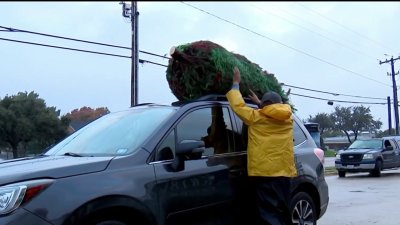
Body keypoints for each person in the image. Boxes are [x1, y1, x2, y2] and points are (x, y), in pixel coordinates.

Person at [225, 66, 297, 225]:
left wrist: (236, 83)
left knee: (268, 214)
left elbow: (238, 106)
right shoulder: (287, 119)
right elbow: (273, 113)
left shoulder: (256, 117)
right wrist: (261, 104)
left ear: (265, 105)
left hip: (265, 174)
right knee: (282, 211)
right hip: (285, 174)